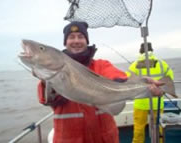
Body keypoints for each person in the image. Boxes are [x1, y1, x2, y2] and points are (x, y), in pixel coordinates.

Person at [36, 22, 164, 143]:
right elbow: (45, 99)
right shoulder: (52, 74)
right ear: (65, 42)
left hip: (104, 138)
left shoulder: (101, 65)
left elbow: (119, 78)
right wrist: (46, 81)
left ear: (86, 41)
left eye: (80, 36)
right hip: (69, 138)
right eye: (71, 37)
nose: (76, 41)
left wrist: (145, 85)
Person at [126, 42, 174, 143]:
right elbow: (170, 79)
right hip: (157, 101)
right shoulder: (162, 63)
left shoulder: (134, 65)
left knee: (139, 129)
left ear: (140, 51)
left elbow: (128, 82)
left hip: (140, 102)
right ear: (152, 50)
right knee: (159, 127)